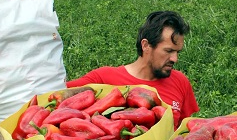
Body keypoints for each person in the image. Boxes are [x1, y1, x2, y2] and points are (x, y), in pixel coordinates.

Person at [66, 11, 199, 129]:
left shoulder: (180, 82)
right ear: (146, 45)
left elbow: (185, 132)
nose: (175, 58)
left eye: (177, 52)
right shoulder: (103, 78)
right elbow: (55, 93)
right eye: (169, 51)